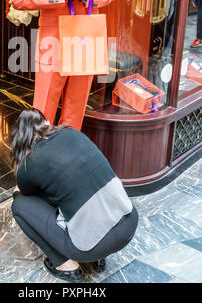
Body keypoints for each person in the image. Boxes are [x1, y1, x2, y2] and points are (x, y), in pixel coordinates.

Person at [10, 108, 138, 283]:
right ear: (47, 124)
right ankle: (97, 259)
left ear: (22, 140)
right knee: (77, 189)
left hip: (92, 247)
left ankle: (67, 267)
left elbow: (25, 192)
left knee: (19, 206)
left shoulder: (31, 162)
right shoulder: (72, 133)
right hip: (128, 224)